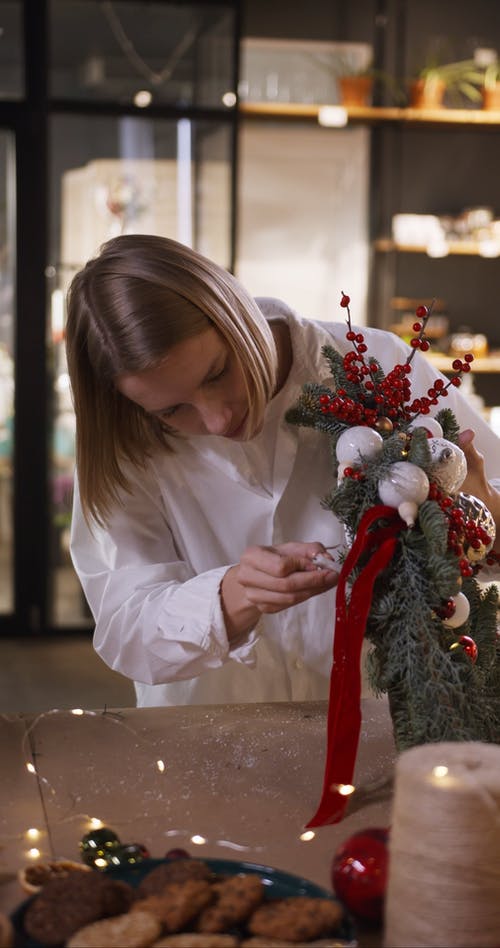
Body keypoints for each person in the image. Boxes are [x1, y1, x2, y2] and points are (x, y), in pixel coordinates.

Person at [66, 234, 500, 708]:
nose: (217, 419)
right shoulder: (124, 437)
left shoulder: (379, 364)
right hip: (211, 740)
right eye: (173, 411)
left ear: (234, 311)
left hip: (391, 724)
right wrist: (231, 597)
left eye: (216, 373)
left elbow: (489, 527)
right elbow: (125, 628)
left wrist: (478, 519)